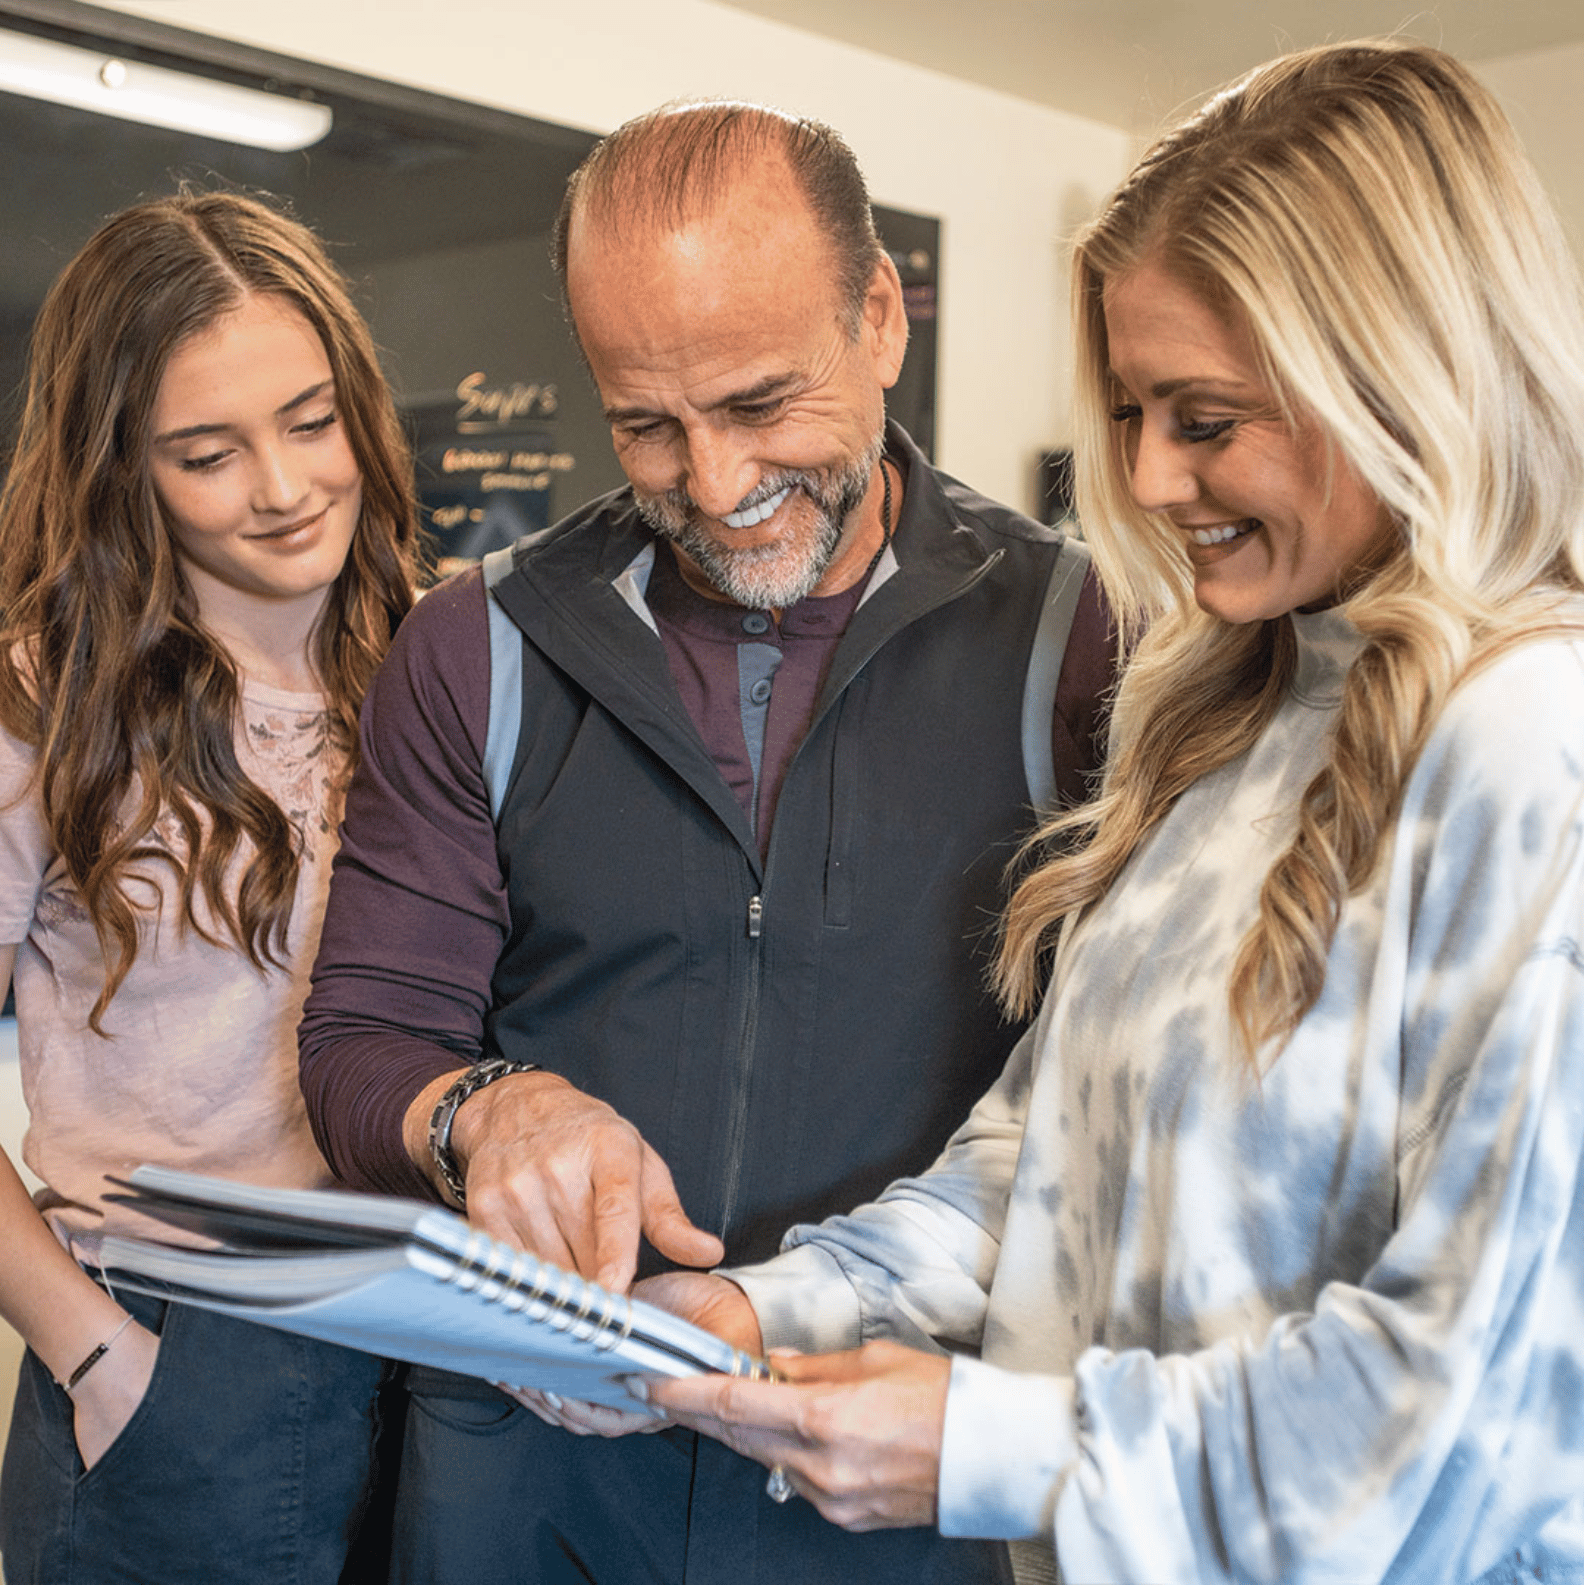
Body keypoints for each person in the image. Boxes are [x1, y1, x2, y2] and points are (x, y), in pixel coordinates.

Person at [639, 40, 1584, 1585]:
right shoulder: (1229, 712)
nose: (1145, 477)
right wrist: (765, 1305)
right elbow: (1052, 1167)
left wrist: (988, 1449)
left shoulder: (1535, 742)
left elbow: (1485, 1414)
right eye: (1132, 410)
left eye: (1206, 418)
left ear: (1407, 377)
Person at [297, 101, 1113, 1584]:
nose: (717, 486)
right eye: (647, 425)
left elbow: (1103, 1107)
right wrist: (487, 1107)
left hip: (881, 1480)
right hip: (526, 1481)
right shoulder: (474, 645)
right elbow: (364, 1039)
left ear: (880, 317)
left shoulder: (1083, 643)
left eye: (757, 404)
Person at [0, 191, 421, 1583]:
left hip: (435, 1339)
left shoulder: (443, 664)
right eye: (207, 453)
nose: (287, 487)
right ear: (123, 466)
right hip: (174, 1350)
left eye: (312, 421)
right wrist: (100, 1355)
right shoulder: (40, 700)